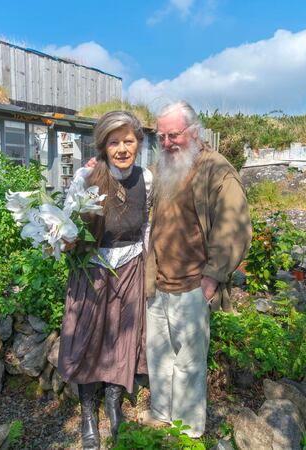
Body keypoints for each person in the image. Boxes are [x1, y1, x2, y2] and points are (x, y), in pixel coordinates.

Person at [142, 100, 251, 437]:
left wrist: (212, 278)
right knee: (159, 355)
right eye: (161, 137)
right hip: (158, 282)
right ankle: (162, 415)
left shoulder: (216, 169)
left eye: (173, 135)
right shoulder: (162, 169)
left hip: (193, 284)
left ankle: (187, 431)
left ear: (194, 132)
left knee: (189, 363)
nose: (167, 143)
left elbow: (235, 227)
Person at [57, 110, 153, 449]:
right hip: (93, 268)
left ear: (138, 144)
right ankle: (87, 413)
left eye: (129, 141)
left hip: (129, 267)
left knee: (122, 336)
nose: (122, 148)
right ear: (104, 145)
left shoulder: (147, 178)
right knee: (87, 335)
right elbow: (66, 222)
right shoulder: (88, 176)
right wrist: (66, 239)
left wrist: (146, 261)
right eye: (115, 142)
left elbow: (146, 226)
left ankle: (113, 402)